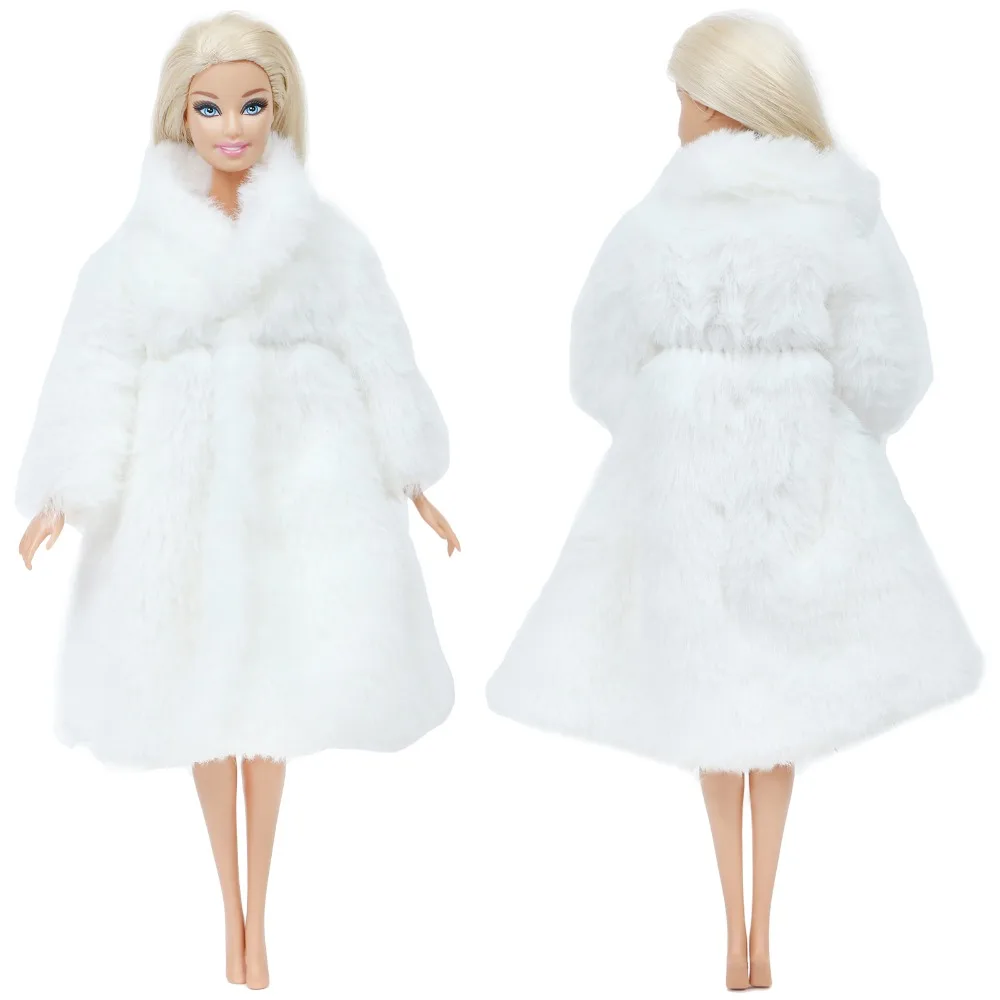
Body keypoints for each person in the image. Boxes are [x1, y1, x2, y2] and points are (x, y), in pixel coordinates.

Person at [486, 10, 982, 990]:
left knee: (713, 704)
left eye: (683, 95)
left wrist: (668, 416)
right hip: (806, 480)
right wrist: (822, 416)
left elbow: (597, 362)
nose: (677, 113)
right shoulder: (843, 215)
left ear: (717, 103)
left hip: (683, 490)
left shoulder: (655, 220)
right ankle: (762, 930)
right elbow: (890, 370)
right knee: (783, 703)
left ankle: (733, 936)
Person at [16, 11, 459, 989]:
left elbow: (378, 351)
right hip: (177, 499)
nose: (232, 126)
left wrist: (412, 471)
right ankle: (233, 915)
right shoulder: (136, 251)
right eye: (211, 107)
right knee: (202, 703)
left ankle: (261, 912)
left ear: (279, 109)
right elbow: (96, 364)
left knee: (273, 700)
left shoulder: (325, 243)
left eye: (252, 105)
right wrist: (63, 489)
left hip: (294, 493)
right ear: (179, 114)